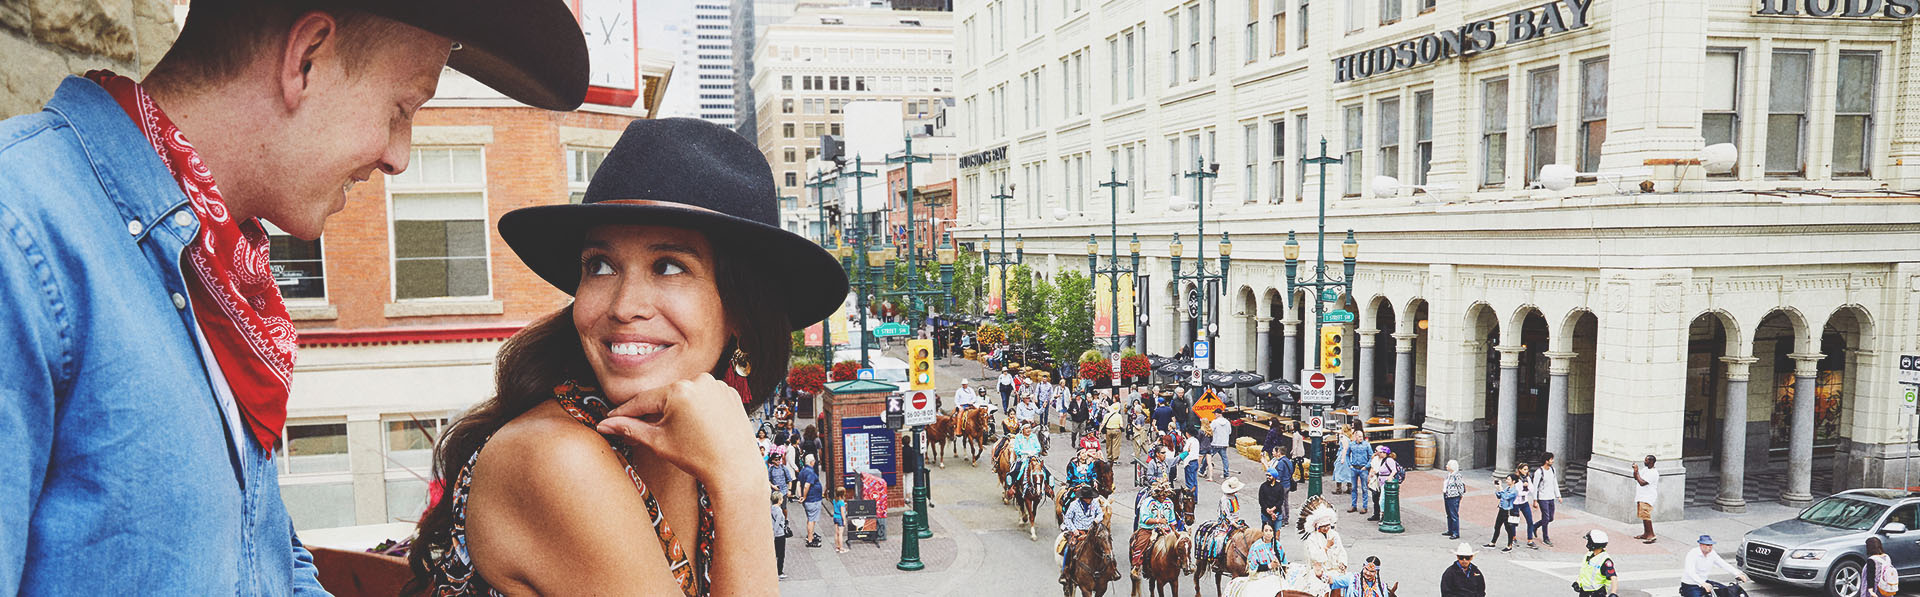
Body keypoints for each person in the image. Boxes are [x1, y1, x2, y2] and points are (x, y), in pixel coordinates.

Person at [0, 0, 586, 593]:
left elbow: (258, 559)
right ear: (306, 58)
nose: (398, 156)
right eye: (400, 109)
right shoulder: (19, 237)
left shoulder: (221, 270)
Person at [410, 118, 848, 595]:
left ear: (740, 312)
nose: (623, 306)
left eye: (668, 266)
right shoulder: (555, 459)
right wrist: (742, 481)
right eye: (600, 266)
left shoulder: (689, 440)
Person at [1131, 482, 1179, 587]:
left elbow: (1171, 519)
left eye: (1165, 495)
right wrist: (1158, 520)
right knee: (1140, 544)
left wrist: (1175, 532)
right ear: (1156, 494)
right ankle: (1137, 567)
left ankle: (1183, 564)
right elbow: (1145, 519)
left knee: (1180, 545)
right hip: (1148, 529)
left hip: (1166, 530)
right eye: (1161, 495)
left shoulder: (1169, 502)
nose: (1163, 497)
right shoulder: (1147, 502)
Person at [1058, 484, 1105, 583]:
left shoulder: (1095, 503)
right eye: (1089, 498)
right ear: (1084, 498)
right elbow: (1067, 518)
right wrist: (1074, 530)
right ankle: (1065, 571)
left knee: (1105, 543)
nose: (1091, 499)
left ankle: (1109, 569)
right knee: (1069, 547)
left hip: (1092, 531)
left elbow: (1100, 513)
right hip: (1078, 531)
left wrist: (1097, 520)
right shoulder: (1074, 505)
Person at [1679, 534, 1749, 597]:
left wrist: (1738, 573)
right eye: (1707, 545)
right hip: (1690, 585)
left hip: (1705, 582)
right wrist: (1702, 583)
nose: (1710, 547)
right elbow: (1690, 572)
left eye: (1711, 545)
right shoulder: (1693, 554)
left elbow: (1723, 564)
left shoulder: (1712, 553)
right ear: (1701, 545)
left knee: (1726, 591)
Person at [1574, 530, 1617, 597]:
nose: (1588, 543)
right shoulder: (1589, 554)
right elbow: (1585, 571)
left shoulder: (1605, 560)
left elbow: (1613, 577)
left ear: (1594, 544)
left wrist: (1613, 593)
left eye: (1589, 541)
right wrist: (1577, 582)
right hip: (1584, 592)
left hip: (1597, 593)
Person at [1532, 452, 1561, 547]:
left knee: (1551, 518)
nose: (1553, 461)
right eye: (1551, 459)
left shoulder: (1553, 470)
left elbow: (1555, 483)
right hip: (1542, 498)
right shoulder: (1539, 472)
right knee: (1546, 517)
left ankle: (1535, 526)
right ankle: (1545, 538)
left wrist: (1558, 495)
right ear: (1546, 461)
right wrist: (1535, 500)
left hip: (1551, 497)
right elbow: (1535, 487)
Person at [1325, 556, 1391, 597]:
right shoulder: (1352, 579)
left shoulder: (1382, 588)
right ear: (1363, 567)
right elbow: (1333, 580)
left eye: (1372, 571)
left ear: (1376, 572)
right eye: (1366, 569)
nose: (1368, 573)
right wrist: (1321, 575)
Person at [1368, 446, 1402, 522]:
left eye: (1380, 452)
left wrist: (1390, 477)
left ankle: (1383, 515)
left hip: (1386, 484)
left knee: (1382, 500)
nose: (1378, 454)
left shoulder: (1389, 460)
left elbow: (1394, 470)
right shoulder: (1383, 460)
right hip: (1381, 482)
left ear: (1385, 453)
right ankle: (1382, 515)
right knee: (1380, 499)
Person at [1486, 474, 1519, 552]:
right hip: (1501, 509)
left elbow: (1506, 497)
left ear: (1513, 481)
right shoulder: (1507, 488)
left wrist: (1500, 488)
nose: (1507, 481)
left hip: (1507, 511)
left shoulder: (1514, 491)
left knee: (1508, 528)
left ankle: (1509, 545)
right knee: (1497, 526)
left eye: (1508, 479)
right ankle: (1492, 542)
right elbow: (1499, 496)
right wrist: (1497, 489)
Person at [1632, 454, 1660, 543]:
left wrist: (1636, 471)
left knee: (1646, 515)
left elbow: (1642, 482)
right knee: (1643, 516)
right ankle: (1646, 533)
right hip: (1641, 496)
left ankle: (1651, 535)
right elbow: (1636, 477)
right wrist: (1635, 471)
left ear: (1651, 462)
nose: (1645, 461)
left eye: (1646, 460)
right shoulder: (1645, 470)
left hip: (1648, 497)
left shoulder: (1653, 473)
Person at [799, 454, 826, 547]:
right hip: (812, 499)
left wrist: (801, 496)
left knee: (810, 518)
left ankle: (811, 534)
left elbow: (799, 483)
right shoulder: (810, 472)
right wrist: (805, 496)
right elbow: (807, 485)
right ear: (812, 462)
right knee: (811, 519)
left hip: (809, 500)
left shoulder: (803, 471)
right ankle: (810, 540)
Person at [1346, 429, 1375, 514]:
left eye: (1362, 436)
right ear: (1355, 437)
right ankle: (1353, 505)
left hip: (1363, 469)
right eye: (1359, 436)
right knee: (1354, 488)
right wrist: (1349, 465)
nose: (1361, 438)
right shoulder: (1351, 445)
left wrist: (1366, 466)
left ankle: (1365, 506)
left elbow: (1371, 456)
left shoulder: (1367, 445)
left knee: (1364, 488)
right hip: (1354, 468)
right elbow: (1347, 454)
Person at [1441, 460, 1466, 540]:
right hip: (1447, 495)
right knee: (1448, 514)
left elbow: (1460, 486)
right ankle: (1450, 530)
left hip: (1453, 496)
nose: (1446, 466)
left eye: (1448, 465)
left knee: (1453, 514)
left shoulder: (1457, 475)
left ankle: (1456, 533)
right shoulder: (1449, 475)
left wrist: (1461, 495)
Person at [1259, 467, 1289, 533]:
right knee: (1266, 534)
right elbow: (1261, 500)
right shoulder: (1263, 486)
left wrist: (1273, 509)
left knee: (1277, 533)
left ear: (1274, 476)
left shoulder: (1280, 487)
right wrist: (1268, 510)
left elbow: (1281, 500)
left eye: (1269, 475)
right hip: (1265, 513)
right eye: (1267, 475)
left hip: (1277, 513)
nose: (1268, 477)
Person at [1514, 462, 1537, 548]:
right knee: (1515, 521)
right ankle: (1513, 537)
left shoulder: (1528, 478)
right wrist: (1525, 491)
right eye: (1524, 469)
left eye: (1527, 469)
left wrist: (1527, 487)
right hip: (1516, 502)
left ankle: (1530, 540)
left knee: (1530, 520)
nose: (1526, 471)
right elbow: (1516, 492)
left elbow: (1532, 489)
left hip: (1524, 502)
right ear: (1520, 470)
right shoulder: (1516, 479)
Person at [771, 490, 792, 579]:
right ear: (779, 500)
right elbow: (778, 523)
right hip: (779, 534)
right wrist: (775, 533)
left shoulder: (771, 508)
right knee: (781, 554)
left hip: (775, 534)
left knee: (775, 553)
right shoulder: (779, 511)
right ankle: (779, 572)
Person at [1208, 411, 1234, 480]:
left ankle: (1201, 470)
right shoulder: (1227, 422)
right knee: (1224, 459)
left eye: (1215, 413)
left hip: (1215, 443)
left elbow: (1210, 430)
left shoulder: (1214, 422)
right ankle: (1226, 474)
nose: (1214, 415)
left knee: (1208, 457)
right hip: (1224, 443)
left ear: (1218, 414)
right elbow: (1229, 432)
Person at [1333, 425, 1356, 495]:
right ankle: (1349, 488)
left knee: (1338, 471)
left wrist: (1342, 458)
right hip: (1349, 456)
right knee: (1349, 472)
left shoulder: (1343, 437)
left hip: (1343, 455)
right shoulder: (1350, 437)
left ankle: (1338, 489)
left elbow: (1344, 448)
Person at [1180, 428, 1204, 493]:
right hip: (1195, 461)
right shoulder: (1196, 440)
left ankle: (1190, 497)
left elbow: (1186, 451)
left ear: (1187, 433)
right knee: (1194, 481)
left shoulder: (1189, 441)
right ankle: (1195, 498)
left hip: (1189, 462)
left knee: (1189, 482)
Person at [830, 487, 850, 554]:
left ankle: (837, 547)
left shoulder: (834, 500)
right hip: (840, 518)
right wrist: (844, 520)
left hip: (835, 517)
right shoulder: (841, 502)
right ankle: (841, 548)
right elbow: (842, 512)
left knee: (836, 533)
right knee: (841, 534)